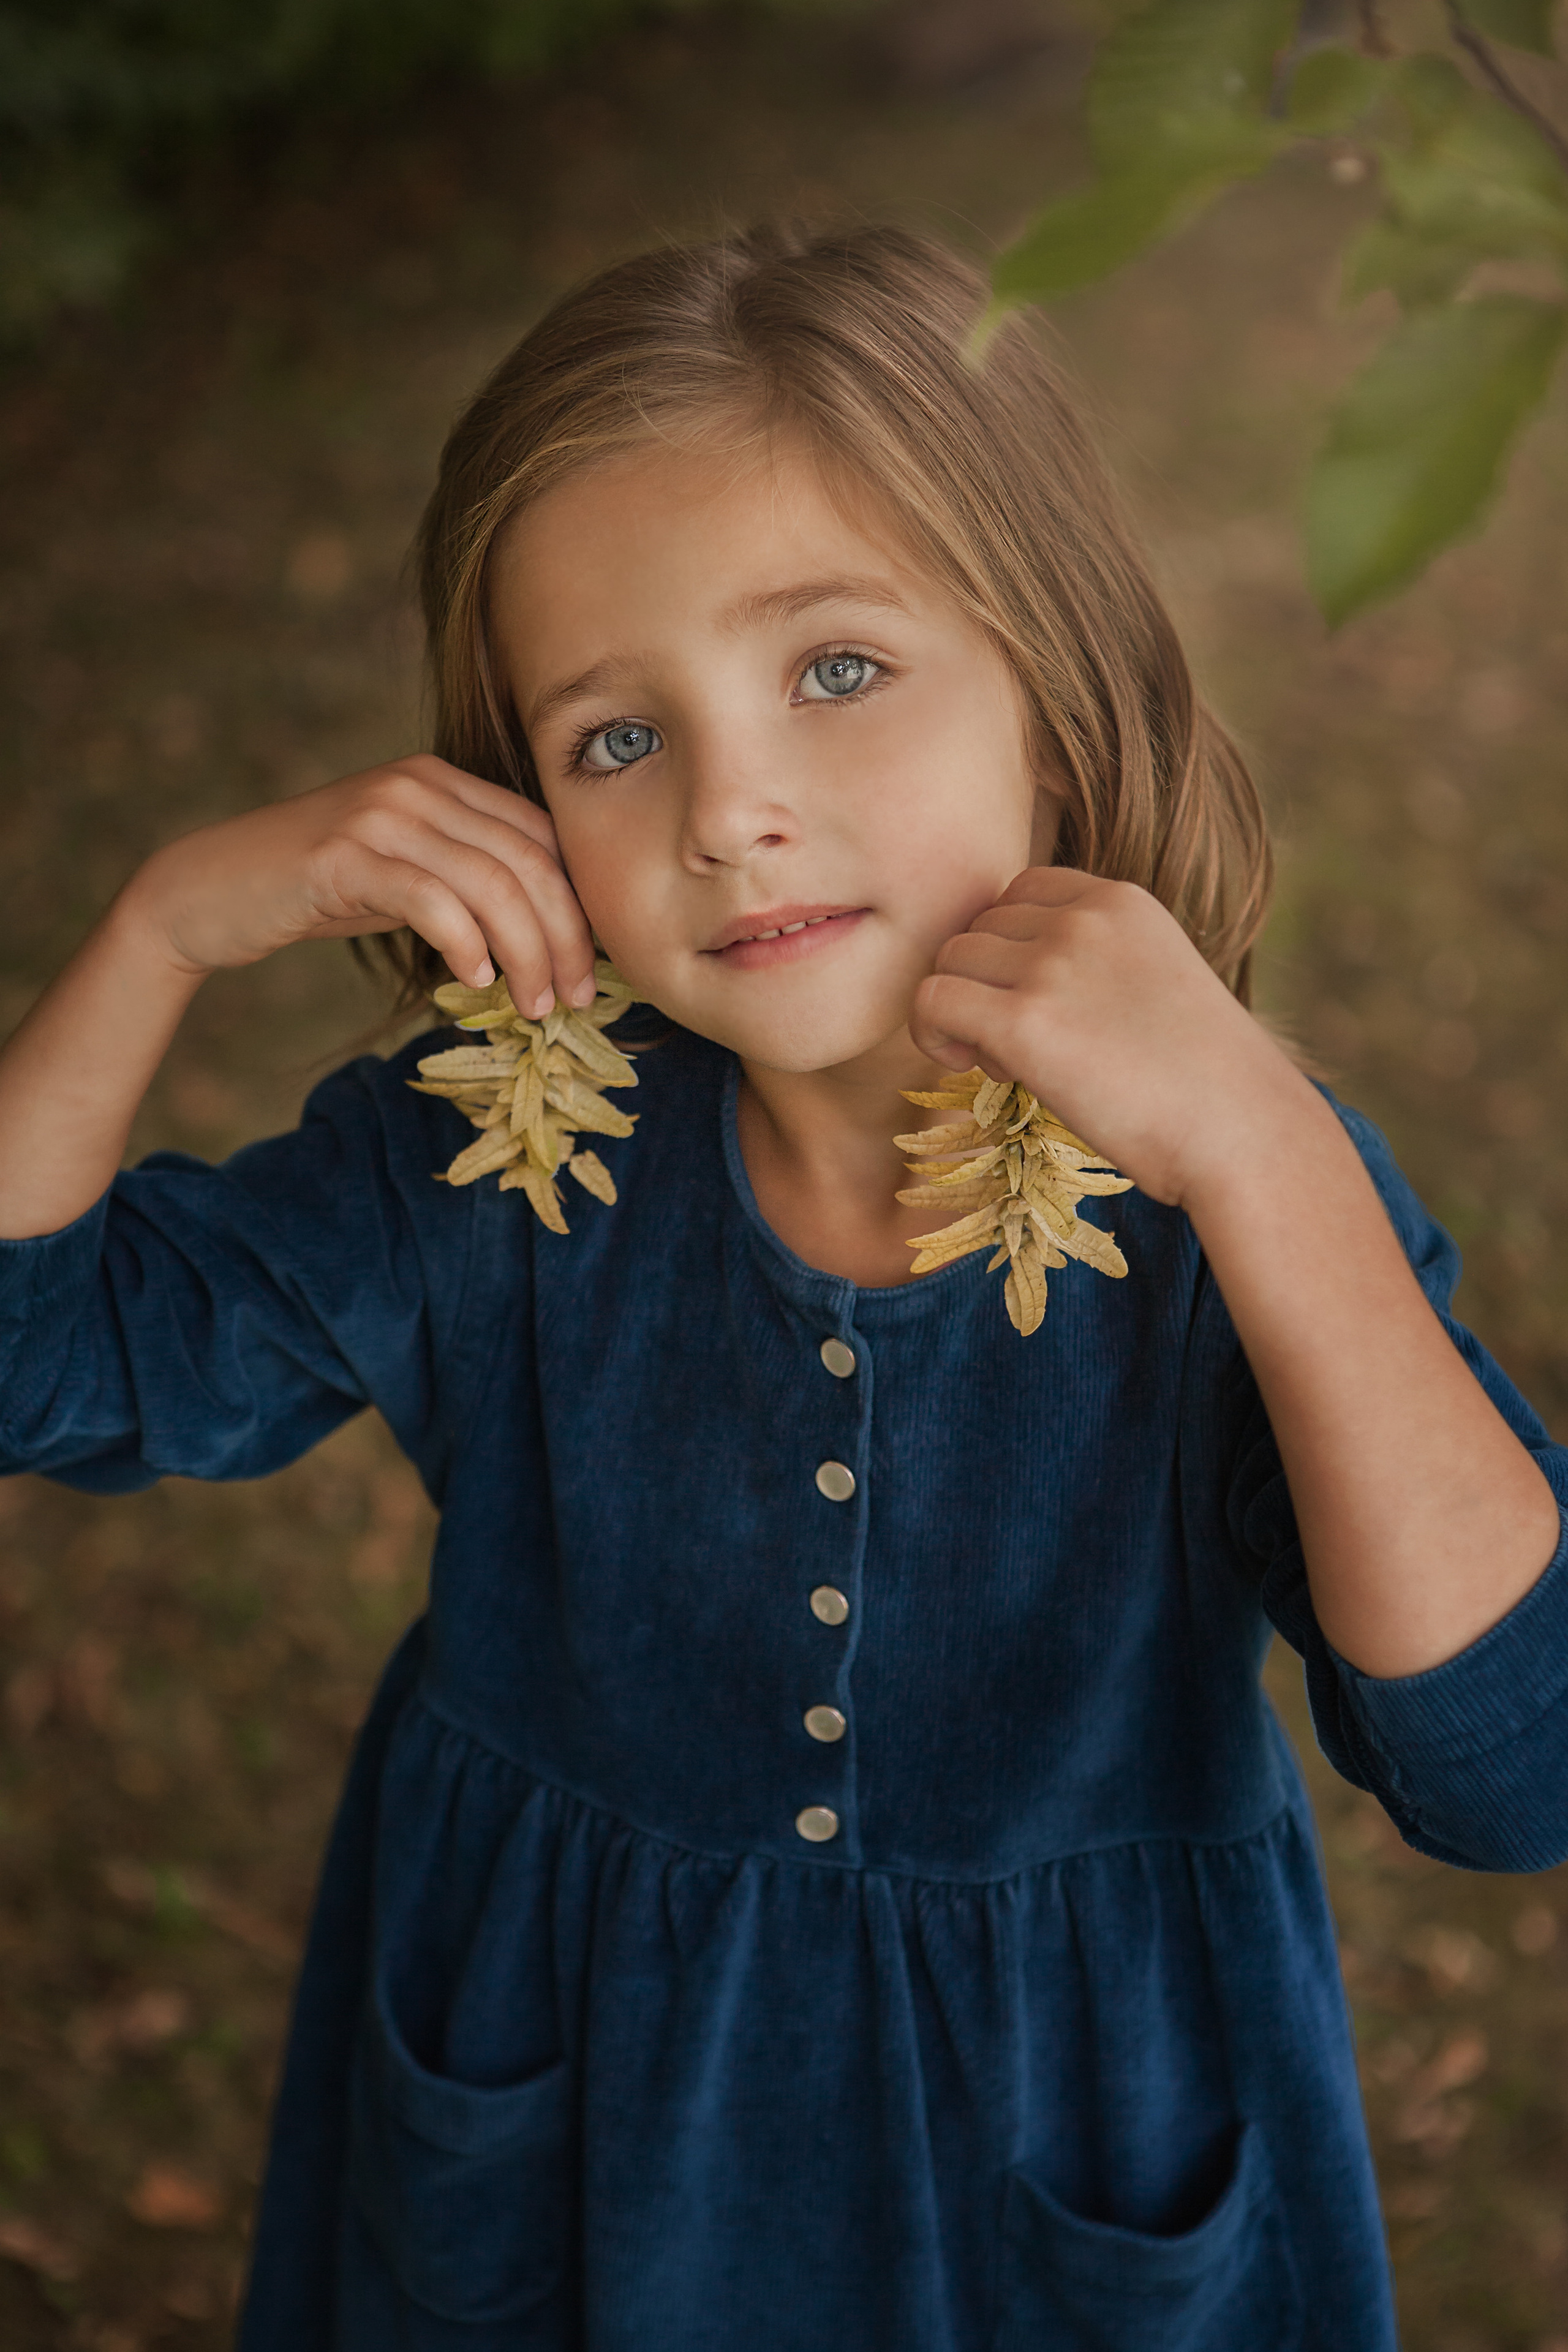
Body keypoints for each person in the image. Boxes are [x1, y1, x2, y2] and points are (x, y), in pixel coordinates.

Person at [0, 221, 1563, 2352]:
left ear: (1057, 686)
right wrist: (162, 926)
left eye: (836, 668)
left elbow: (1509, 1771)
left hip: (1066, 2148)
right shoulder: (495, 1165)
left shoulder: (1236, 1203)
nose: (733, 810)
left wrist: (1272, 1165)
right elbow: (35, 1358)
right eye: (613, 739)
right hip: (563, 2111)